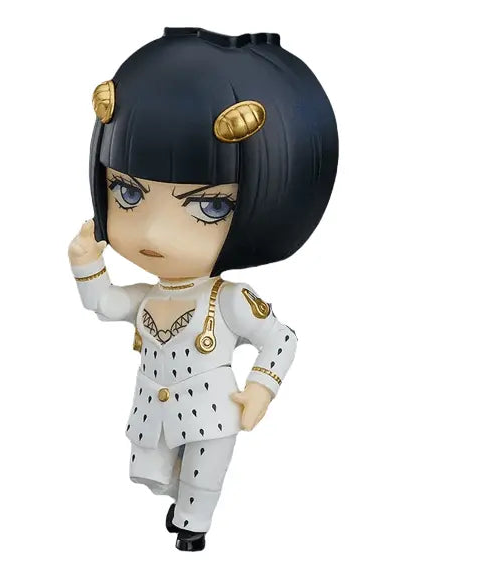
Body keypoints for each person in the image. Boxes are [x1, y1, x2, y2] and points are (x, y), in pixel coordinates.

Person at [69, 27, 338, 551]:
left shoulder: (228, 301)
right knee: (150, 468)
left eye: (209, 205)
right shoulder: (149, 297)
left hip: (214, 411)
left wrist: (260, 389)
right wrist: (86, 264)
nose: (153, 233)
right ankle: (178, 504)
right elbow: (104, 302)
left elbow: (280, 339)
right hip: (153, 409)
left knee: (203, 479)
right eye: (128, 193)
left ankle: (194, 527)